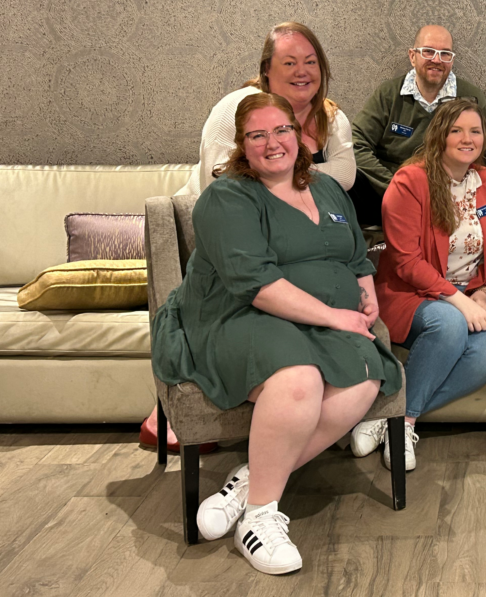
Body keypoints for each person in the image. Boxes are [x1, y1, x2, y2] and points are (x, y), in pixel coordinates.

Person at [151, 93, 401, 574]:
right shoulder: (226, 198)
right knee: (297, 378)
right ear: (242, 146)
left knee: (367, 373)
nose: (272, 143)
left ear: (301, 134)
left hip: (314, 315)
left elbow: (352, 252)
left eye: (281, 130)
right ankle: (260, 518)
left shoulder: (326, 190)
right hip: (233, 313)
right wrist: (336, 318)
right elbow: (256, 286)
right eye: (257, 135)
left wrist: (365, 292)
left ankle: (249, 481)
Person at [141, 21, 362, 454]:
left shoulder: (331, 117)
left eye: (311, 61)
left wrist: (287, 173)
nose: (303, 71)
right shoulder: (236, 109)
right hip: (220, 239)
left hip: (291, 239)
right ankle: (175, 413)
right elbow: (224, 181)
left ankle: (274, 448)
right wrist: (290, 172)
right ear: (266, 70)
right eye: (289, 62)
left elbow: (346, 176)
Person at [354, 99, 486, 470]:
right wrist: (460, 302)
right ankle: (400, 427)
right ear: (439, 134)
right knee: (449, 322)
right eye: (456, 130)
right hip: (408, 293)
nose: (467, 139)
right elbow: (406, 262)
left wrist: (483, 292)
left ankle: (393, 417)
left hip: (468, 293)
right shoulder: (411, 181)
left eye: (475, 131)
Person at [352, 25, 486, 217]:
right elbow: (357, 144)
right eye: (428, 51)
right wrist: (395, 187)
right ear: (412, 56)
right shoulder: (388, 95)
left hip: (450, 198)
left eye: (445, 54)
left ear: (452, 60)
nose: (436, 60)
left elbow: (483, 154)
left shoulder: (471, 98)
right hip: (392, 192)